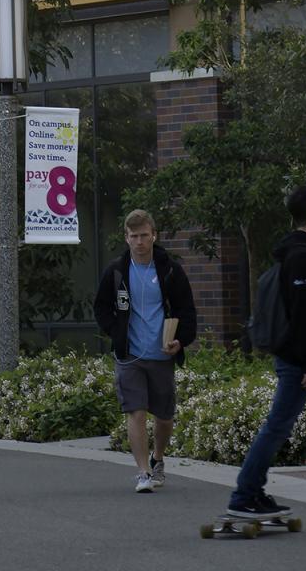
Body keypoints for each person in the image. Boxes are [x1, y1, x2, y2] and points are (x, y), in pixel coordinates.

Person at [225, 185, 306, 521]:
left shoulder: (302, 252)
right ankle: (244, 494)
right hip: (296, 359)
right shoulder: (303, 256)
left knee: (278, 426)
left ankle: (252, 491)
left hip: (293, 356)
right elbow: (302, 314)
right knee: (276, 426)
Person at [93, 209, 198, 493]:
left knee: (164, 417)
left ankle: (158, 458)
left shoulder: (170, 270)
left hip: (161, 353)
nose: (139, 241)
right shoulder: (116, 271)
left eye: (144, 235)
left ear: (154, 235)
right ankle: (143, 473)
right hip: (129, 355)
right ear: (126, 238)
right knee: (135, 413)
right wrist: (116, 333)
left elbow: (187, 310)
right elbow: (101, 307)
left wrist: (181, 340)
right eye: (134, 236)